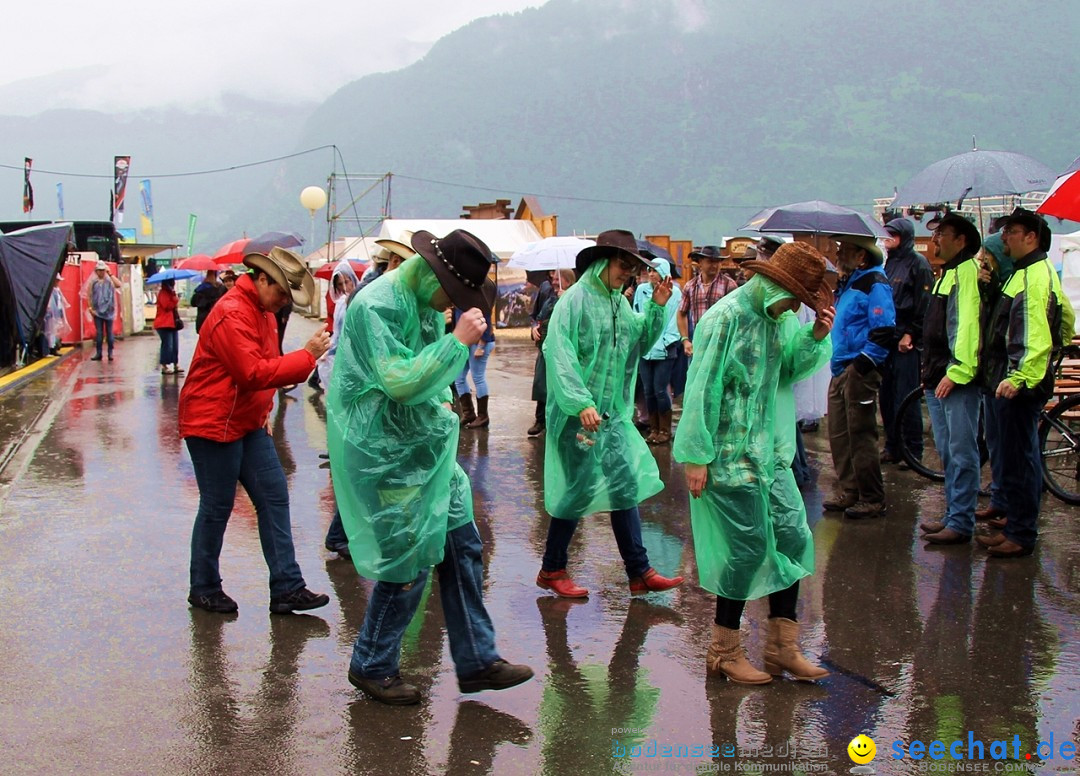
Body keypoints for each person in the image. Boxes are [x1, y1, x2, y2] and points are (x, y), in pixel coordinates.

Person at [327, 229, 533, 706]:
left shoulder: (423, 303)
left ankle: (478, 658)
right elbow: (399, 381)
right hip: (386, 454)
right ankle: (372, 663)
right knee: (408, 562)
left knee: (462, 544)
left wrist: (442, 401)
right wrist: (457, 343)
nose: (453, 304)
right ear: (435, 274)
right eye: (453, 293)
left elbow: (427, 379)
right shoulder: (376, 304)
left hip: (424, 449)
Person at [674, 242, 834, 684]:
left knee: (792, 535)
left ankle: (783, 646)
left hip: (769, 453)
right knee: (745, 549)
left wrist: (816, 336)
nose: (794, 307)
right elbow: (701, 387)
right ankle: (723, 650)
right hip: (726, 454)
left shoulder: (778, 319)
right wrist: (696, 455)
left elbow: (788, 369)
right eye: (793, 297)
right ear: (770, 283)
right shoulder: (724, 319)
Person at [179, 247, 332, 614]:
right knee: (217, 506)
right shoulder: (233, 312)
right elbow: (251, 372)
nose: (284, 301)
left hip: (245, 419)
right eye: (281, 292)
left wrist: (263, 408)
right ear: (261, 279)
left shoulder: (262, 310)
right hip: (213, 421)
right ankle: (203, 587)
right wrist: (308, 355)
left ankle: (287, 587)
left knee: (274, 495)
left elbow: (263, 367)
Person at [537, 229, 684, 599]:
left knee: (623, 485)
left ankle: (639, 571)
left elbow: (641, 341)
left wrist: (657, 306)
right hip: (578, 416)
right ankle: (552, 568)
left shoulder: (619, 302)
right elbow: (559, 353)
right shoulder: (575, 301)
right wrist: (579, 402)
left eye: (633, 268)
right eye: (623, 265)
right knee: (578, 488)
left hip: (611, 416)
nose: (628, 274)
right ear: (604, 262)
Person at [977, 209, 1075, 558]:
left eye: (1011, 232)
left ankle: (1021, 533)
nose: (1005, 239)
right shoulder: (1026, 273)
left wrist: (1022, 377)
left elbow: (1034, 334)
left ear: (1031, 236)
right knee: (1014, 455)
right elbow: (1065, 316)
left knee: (1021, 458)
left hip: (1019, 383)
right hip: (1012, 378)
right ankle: (1016, 521)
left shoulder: (1034, 275)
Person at [914, 215, 983, 545]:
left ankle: (961, 520)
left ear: (962, 240)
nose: (936, 239)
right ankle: (953, 513)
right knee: (947, 450)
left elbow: (966, 326)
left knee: (961, 451)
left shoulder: (966, 272)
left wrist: (957, 372)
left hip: (955, 378)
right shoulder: (947, 274)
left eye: (943, 233)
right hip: (937, 375)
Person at [823, 234, 896, 520]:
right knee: (839, 433)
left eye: (846, 250)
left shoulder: (875, 283)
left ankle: (871, 497)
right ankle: (849, 490)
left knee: (861, 434)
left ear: (862, 257)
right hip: (841, 366)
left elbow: (884, 328)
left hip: (857, 368)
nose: (839, 254)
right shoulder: (852, 281)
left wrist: (862, 366)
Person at [878, 218, 934, 465]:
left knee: (906, 397)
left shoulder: (919, 264)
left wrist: (912, 333)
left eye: (893, 234)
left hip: (907, 340)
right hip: (888, 338)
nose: (888, 238)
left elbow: (925, 304)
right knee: (887, 396)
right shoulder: (888, 263)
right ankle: (892, 445)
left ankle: (913, 450)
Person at [318, 260, 361, 559]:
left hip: (349, 380)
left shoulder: (354, 303)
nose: (344, 285)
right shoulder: (350, 307)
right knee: (359, 470)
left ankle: (341, 534)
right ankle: (339, 534)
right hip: (351, 382)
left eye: (346, 281)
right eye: (340, 282)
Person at [632, 261, 683, 444]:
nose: (651, 274)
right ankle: (653, 429)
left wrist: (666, 341)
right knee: (648, 390)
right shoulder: (641, 290)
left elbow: (674, 320)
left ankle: (665, 430)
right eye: (649, 270)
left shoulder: (675, 292)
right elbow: (636, 313)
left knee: (661, 389)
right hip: (645, 348)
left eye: (655, 270)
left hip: (664, 348)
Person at [677, 245, 738, 357]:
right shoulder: (690, 286)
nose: (714, 265)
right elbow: (681, 313)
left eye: (717, 262)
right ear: (700, 262)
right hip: (698, 343)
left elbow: (737, 315)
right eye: (710, 261)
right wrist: (685, 340)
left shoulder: (729, 285)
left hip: (722, 344)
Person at [454, 302, 496, 429]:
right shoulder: (458, 298)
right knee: (459, 378)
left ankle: (483, 416)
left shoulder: (476, 298)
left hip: (479, 342)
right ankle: (469, 413)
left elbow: (486, 320)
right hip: (466, 343)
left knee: (478, 377)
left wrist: (481, 345)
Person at [528, 270, 559, 436]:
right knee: (541, 383)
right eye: (552, 276)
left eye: (558, 277)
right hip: (544, 346)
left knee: (557, 386)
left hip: (560, 349)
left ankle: (554, 422)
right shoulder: (547, 291)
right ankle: (540, 420)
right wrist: (534, 327)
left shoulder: (571, 297)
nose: (554, 280)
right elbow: (536, 316)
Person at [83, 259, 121, 361]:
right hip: (97, 311)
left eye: (103, 270)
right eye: (99, 270)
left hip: (109, 310)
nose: (101, 272)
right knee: (99, 333)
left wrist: (111, 274)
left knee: (109, 333)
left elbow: (118, 284)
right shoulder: (93, 282)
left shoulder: (110, 281)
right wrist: (90, 308)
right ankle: (99, 353)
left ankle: (110, 353)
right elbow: (89, 295)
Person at [153, 278, 183, 374]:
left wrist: (174, 298)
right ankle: (164, 365)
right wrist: (175, 299)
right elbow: (167, 306)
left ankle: (175, 364)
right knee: (167, 345)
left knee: (175, 345)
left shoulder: (171, 293)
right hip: (164, 323)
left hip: (173, 323)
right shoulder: (163, 293)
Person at [190, 269, 226, 334]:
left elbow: (193, 303)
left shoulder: (200, 289)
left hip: (201, 319)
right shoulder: (216, 290)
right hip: (211, 319)